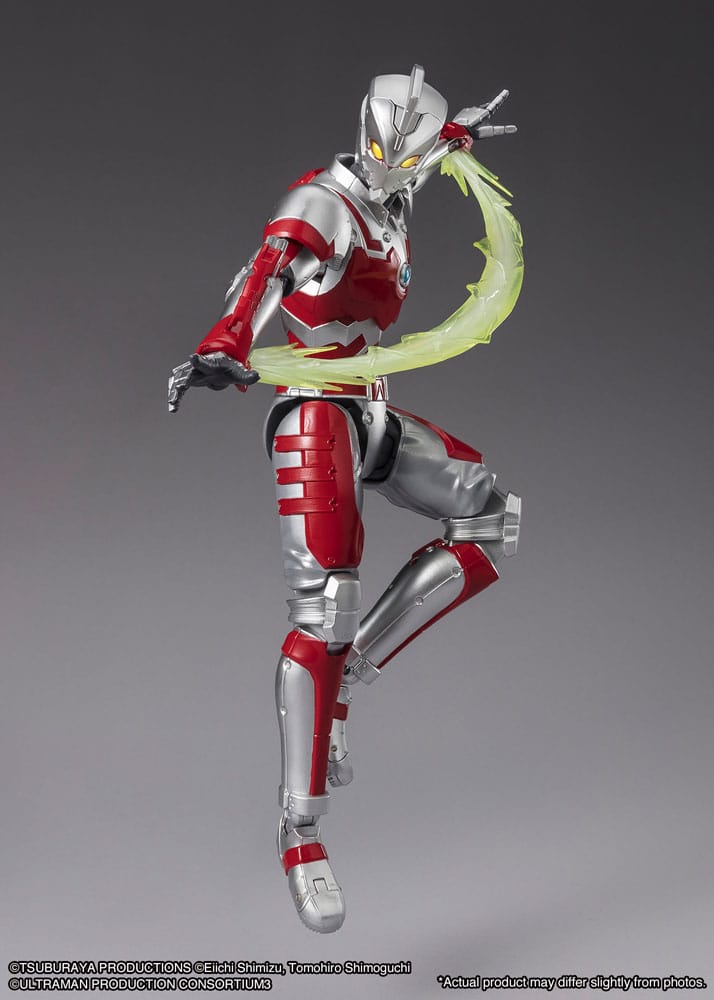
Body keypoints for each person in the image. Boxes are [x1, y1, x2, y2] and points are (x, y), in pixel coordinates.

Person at [168, 66, 521, 933]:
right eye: (386, 149)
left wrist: (456, 139)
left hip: (372, 410)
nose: (395, 166)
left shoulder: (393, 194)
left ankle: (347, 675)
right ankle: (300, 830)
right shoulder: (322, 205)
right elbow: (266, 273)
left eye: (412, 157)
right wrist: (225, 346)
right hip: (315, 411)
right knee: (327, 602)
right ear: (364, 131)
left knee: (488, 517)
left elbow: (410, 166)